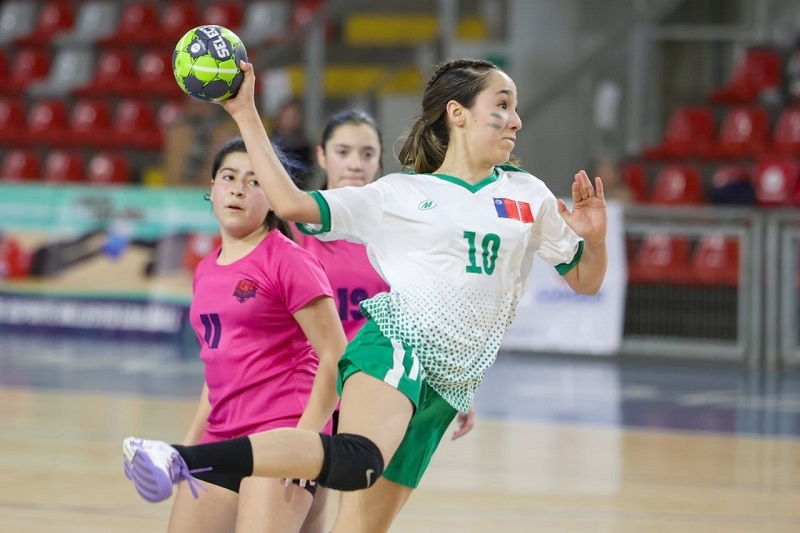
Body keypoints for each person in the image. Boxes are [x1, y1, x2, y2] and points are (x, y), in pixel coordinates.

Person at [123, 57, 608, 533]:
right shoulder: (397, 195)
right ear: (457, 113)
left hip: (451, 383)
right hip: (398, 342)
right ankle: (180, 458)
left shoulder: (531, 195)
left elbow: (585, 282)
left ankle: (189, 459)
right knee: (359, 458)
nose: (517, 120)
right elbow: (292, 203)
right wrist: (246, 113)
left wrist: (597, 239)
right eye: (502, 105)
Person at [145, 136, 348, 532]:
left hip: (281, 436)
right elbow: (216, 371)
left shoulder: (289, 260)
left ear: (275, 198)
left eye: (254, 181)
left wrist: (303, 443)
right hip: (221, 439)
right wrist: (188, 447)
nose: (238, 188)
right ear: (212, 189)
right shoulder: (205, 270)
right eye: (228, 177)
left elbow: (335, 356)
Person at [294, 108, 476, 533]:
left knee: (359, 517)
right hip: (306, 387)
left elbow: (430, 313)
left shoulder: (400, 229)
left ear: (379, 160)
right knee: (301, 511)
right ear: (322, 156)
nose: (355, 162)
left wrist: (456, 381)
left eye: (366, 152)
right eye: (343, 151)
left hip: (377, 387)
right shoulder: (295, 228)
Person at [163, 97, 239, 187]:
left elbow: (220, 183)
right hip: (181, 194)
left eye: (204, 104)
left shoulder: (225, 133)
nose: (199, 108)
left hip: (210, 193)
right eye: (195, 104)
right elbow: (173, 181)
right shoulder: (179, 133)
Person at [270, 98, 315, 188]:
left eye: (293, 116)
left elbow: (308, 173)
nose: (290, 120)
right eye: (287, 116)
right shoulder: (269, 143)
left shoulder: (304, 146)